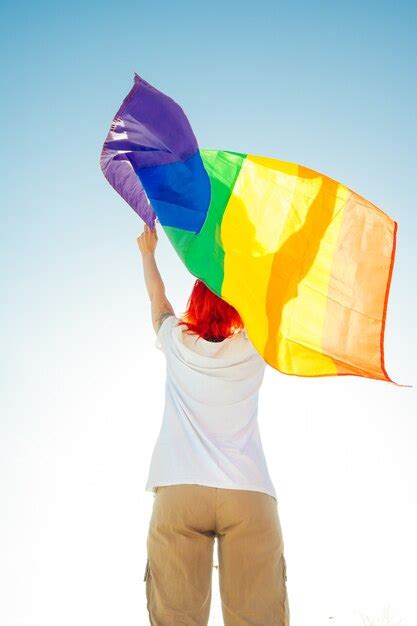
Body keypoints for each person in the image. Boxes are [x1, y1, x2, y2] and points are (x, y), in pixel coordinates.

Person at [137, 222, 290, 626]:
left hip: (181, 488)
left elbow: (159, 301)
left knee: (175, 618)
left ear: (196, 302)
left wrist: (148, 254)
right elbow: (279, 294)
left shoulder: (176, 341)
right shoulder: (257, 344)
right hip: (248, 492)